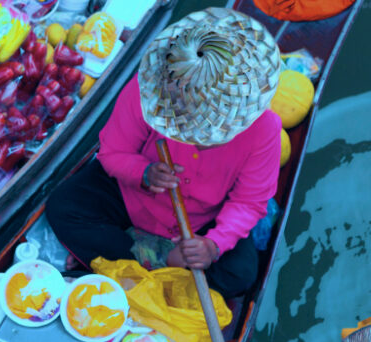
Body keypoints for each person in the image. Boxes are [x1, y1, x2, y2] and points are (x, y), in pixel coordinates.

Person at [45, 7, 283, 298]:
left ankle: (124, 261)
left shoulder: (266, 128)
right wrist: (143, 173)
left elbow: (249, 202)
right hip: (134, 200)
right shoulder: (149, 90)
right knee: (63, 206)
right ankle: (159, 263)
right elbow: (112, 153)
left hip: (203, 221)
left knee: (239, 274)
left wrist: (212, 245)